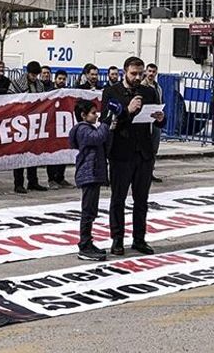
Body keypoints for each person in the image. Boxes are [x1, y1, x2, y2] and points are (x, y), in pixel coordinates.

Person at [102, 56, 165, 256]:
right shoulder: (112, 91)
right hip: (121, 152)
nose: (138, 77)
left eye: (141, 73)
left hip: (143, 153)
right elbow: (107, 122)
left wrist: (160, 119)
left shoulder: (149, 91)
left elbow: (157, 122)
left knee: (141, 200)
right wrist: (127, 111)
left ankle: (139, 239)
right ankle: (117, 240)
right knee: (118, 199)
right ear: (124, 72)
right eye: (134, 74)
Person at [69, 99, 111, 261]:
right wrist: (105, 124)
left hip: (94, 174)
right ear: (83, 115)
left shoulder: (88, 128)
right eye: (93, 113)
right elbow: (98, 137)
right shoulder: (82, 129)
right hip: (88, 175)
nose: (96, 115)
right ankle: (84, 244)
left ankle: (88, 241)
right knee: (87, 211)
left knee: (91, 211)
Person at [8, 61, 47, 194]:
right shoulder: (16, 84)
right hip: (20, 122)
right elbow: (10, 102)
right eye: (32, 75)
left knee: (33, 153)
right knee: (19, 154)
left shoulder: (40, 85)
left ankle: (33, 181)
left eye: (36, 75)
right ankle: (18, 183)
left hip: (34, 121)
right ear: (27, 72)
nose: (34, 77)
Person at [45, 70, 72, 190]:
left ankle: (60, 178)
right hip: (51, 126)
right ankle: (51, 179)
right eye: (60, 78)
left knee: (63, 153)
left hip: (63, 126)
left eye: (63, 79)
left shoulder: (67, 93)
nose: (62, 81)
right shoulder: (49, 93)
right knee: (52, 155)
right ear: (55, 79)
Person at [142, 62, 164, 183]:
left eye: (153, 72)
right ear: (146, 72)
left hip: (155, 121)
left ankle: (150, 172)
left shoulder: (158, 87)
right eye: (149, 71)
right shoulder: (142, 86)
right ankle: (142, 173)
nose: (151, 74)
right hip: (145, 120)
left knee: (154, 148)